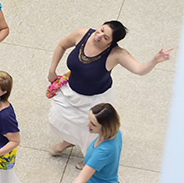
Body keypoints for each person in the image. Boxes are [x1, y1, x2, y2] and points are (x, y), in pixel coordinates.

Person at [47, 21, 171, 156]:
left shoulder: (116, 54)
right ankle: (69, 141)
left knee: (90, 129)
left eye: (106, 37)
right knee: (62, 118)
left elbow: (139, 69)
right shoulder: (83, 34)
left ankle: (89, 156)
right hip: (70, 91)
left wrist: (154, 60)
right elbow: (62, 45)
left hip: (93, 99)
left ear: (111, 43)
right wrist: (52, 70)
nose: (99, 36)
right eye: (100, 30)